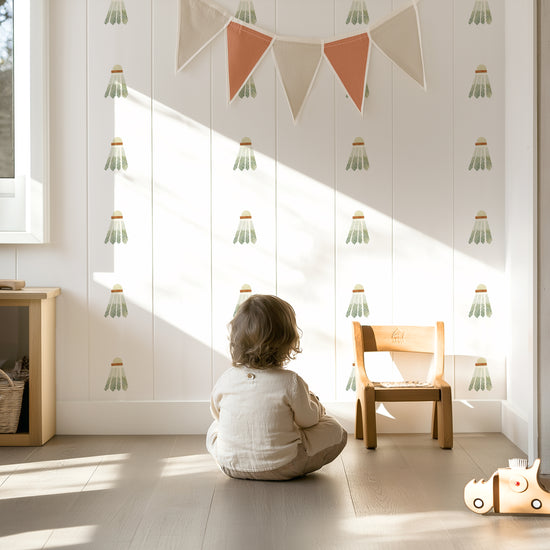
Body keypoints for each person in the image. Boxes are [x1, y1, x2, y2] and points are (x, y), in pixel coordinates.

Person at [206, 294, 347, 481]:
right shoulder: (290, 381)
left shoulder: (226, 378)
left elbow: (217, 414)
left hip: (230, 465)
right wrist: (317, 404)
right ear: (288, 340)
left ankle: (239, 453)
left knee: (214, 427)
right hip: (284, 465)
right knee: (335, 429)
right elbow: (309, 420)